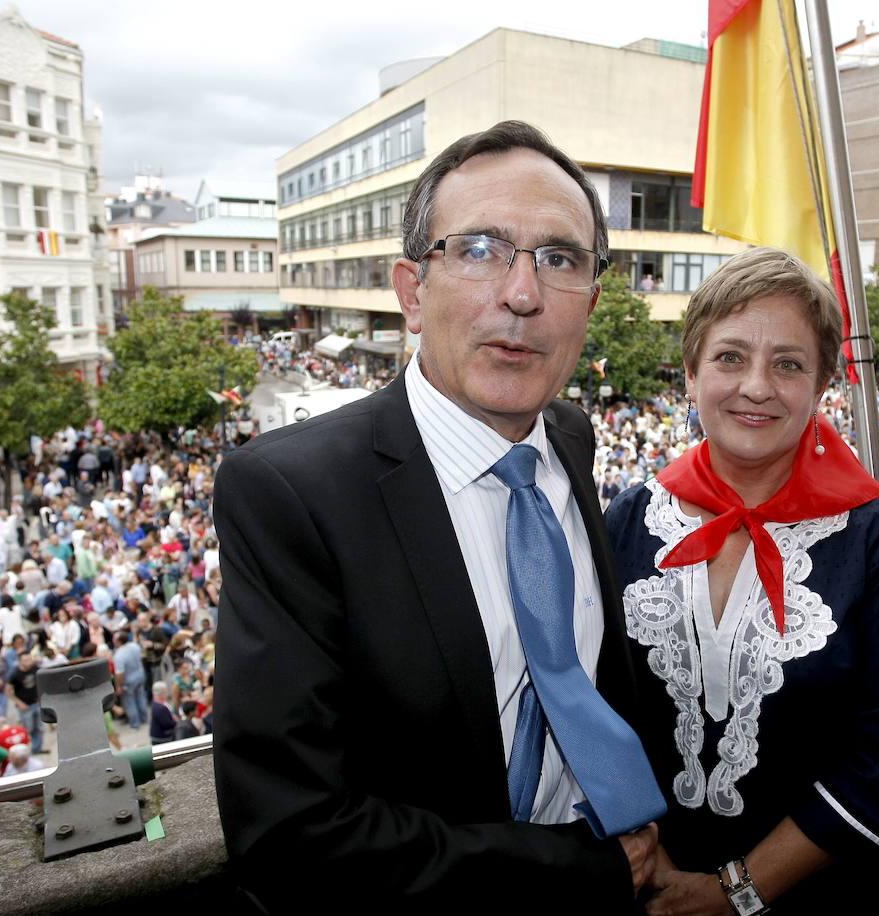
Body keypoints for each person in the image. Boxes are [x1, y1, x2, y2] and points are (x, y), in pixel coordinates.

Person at [213, 120, 664, 912]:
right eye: (479, 249)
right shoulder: (291, 494)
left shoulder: (570, 438)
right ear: (412, 291)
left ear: (589, 303)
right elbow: (291, 835)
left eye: (558, 259)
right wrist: (577, 870)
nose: (521, 295)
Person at [603, 247, 879, 912]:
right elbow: (598, 701)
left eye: (787, 364)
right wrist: (653, 858)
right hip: (645, 880)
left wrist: (739, 890)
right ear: (691, 372)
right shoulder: (631, 516)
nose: (756, 385)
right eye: (730, 357)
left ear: (820, 388)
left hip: (817, 893)